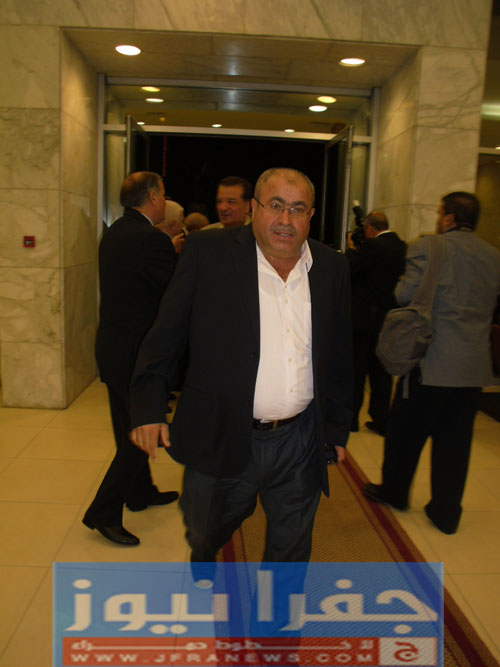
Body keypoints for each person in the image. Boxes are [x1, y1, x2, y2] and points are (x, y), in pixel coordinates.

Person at [129, 167, 352, 565]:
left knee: (292, 544)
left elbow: (338, 353)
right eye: (276, 205)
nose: (285, 220)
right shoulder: (208, 252)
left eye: (297, 209)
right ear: (254, 208)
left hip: (300, 438)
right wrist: (148, 407)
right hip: (224, 428)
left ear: (311, 215)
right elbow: (166, 335)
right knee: (208, 526)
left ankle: (279, 606)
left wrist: (336, 428)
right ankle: (205, 548)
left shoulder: (331, 267)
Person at [364, 192, 500, 534]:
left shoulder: (429, 247)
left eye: (441, 213)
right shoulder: (493, 256)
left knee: (404, 433)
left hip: (432, 361)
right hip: (473, 367)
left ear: (449, 217)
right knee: (455, 442)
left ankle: (394, 492)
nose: (439, 219)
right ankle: (445, 513)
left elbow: (404, 295)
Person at [83, 171, 179, 546]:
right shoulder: (150, 239)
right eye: (163, 194)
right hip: (135, 355)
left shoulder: (115, 233)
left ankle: (140, 492)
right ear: (152, 197)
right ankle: (103, 512)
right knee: (140, 434)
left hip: (113, 348)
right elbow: (172, 291)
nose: (165, 201)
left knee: (129, 426)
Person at [346, 211, 406, 435]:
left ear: (370, 228)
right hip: (387, 320)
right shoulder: (402, 247)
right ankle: (381, 420)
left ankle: (351, 420)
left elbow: (350, 270)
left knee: (357, 371)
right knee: (381, 374)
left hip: (363, 320)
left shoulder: (373, 246)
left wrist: (351, 250)